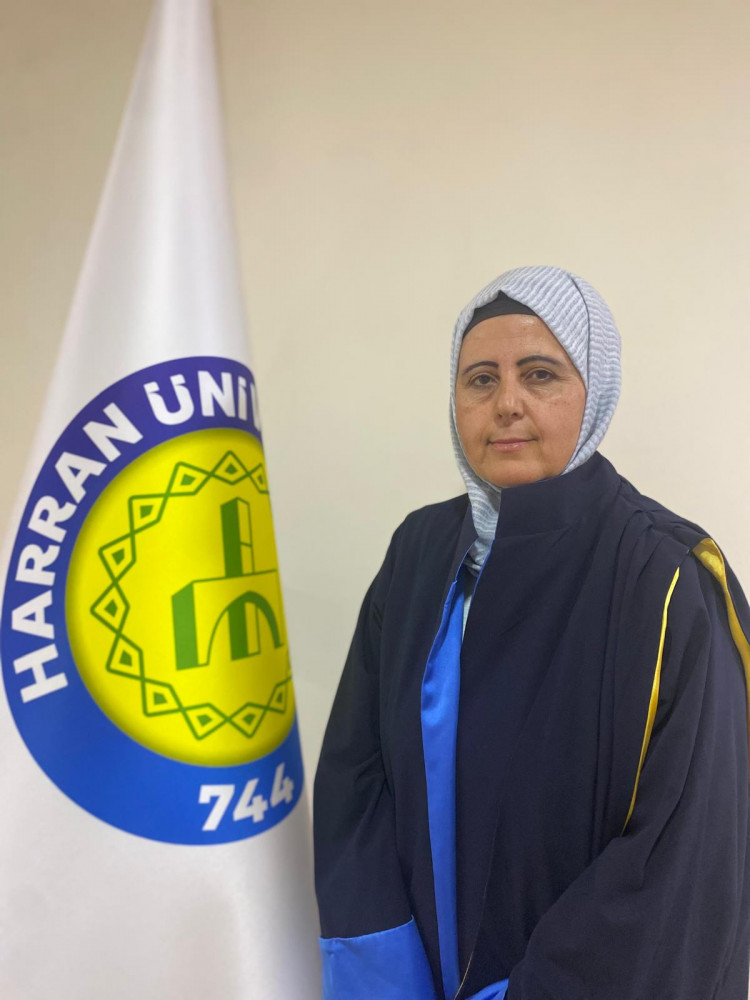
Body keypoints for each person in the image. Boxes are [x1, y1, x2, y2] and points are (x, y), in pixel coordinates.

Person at [313, 265, 750, 1000]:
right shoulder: (419, 554)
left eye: (540, 374)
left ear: (594, 391)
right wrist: (385, 975)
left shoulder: (665, 579)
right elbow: (357, 784)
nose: (507, 403)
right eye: (480, 379)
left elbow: (683, 860)